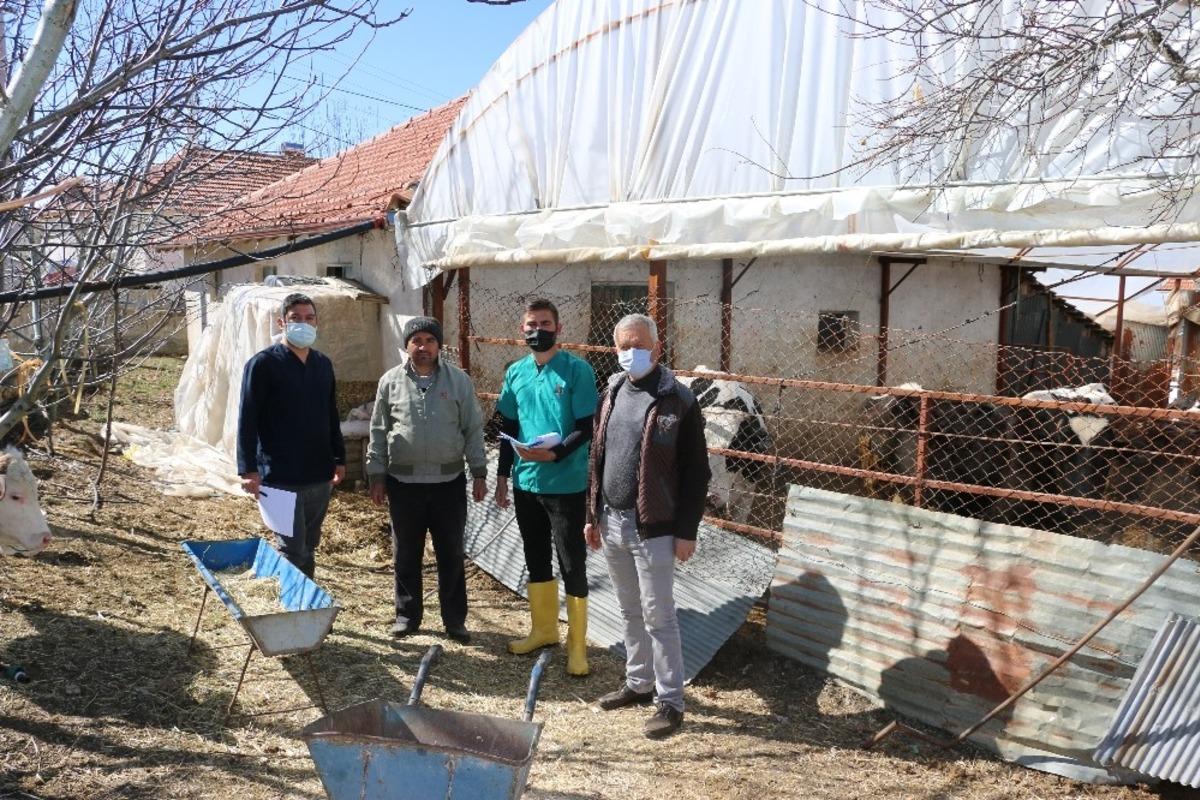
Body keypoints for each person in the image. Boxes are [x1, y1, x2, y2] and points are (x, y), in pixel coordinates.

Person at [584, 312, 711, 738]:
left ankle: (671, 702)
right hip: (612, 521)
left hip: (655, 527)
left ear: (657, 347)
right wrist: (592, 516)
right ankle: (638, 682)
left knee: (659, 615)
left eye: (639, 344)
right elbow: (597, 457)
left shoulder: (678, 398)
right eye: (623, 346)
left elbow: (697, 471)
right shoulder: (614, 390)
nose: (631, 353)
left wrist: (687, 529)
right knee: (629, 609)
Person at [366, 316, 487, 644]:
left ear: (438, 345)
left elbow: (473, 428)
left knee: (451, 553)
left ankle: (455, 621)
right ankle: (407, 616)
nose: (423, 347)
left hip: (448, 483)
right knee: (406, 553)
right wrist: (376, 474)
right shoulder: (390, 382)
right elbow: (378, 430)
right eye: (416, 341)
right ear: (406, 346)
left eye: (429, 341)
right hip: (403, 486)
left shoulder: (458, 381)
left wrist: (479, 471)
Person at [494, 298, 598, 676]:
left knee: (572, 560)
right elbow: (507, 428)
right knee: (535, 555)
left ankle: (577, 648)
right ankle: (543, 631)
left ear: (558, 328)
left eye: (545, 323)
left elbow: (586, 427)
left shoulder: (577, 371)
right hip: (525, 482)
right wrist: (503, 476)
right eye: (531, 324)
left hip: (565, 483)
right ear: (522, 330)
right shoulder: (516, 372)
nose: (537, 330)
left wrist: (555, 455)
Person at [237, 293, 346, 579]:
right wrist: (248, 469)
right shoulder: (263, 364)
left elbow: (331, 414)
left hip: (318, 473)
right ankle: (293, 609)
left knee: (309, 544)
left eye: (309, 318)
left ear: (317, 322)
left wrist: (339, 457)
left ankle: (305, 608)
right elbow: (247, 418)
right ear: (281, 322)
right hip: (279, 476)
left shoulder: (322, 364)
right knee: (291, 548)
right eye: (295, 318)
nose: (303, 323)